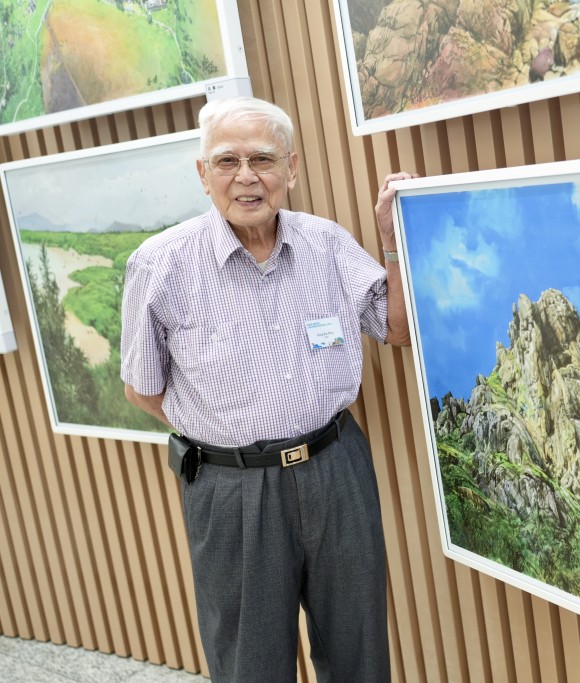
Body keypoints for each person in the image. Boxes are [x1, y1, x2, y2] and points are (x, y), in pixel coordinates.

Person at [120, 96, 414, 682]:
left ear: (292, 169)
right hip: (232, 491)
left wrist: (392, 237)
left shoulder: (326, 244)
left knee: (359, 652)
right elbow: (143, 391)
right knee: (250, 666)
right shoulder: (160, 265)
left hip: (337, 470)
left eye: (263, 159)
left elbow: (398, 330)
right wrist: (228, 435)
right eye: (227, 161)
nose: (247, 177)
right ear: (203, 174)